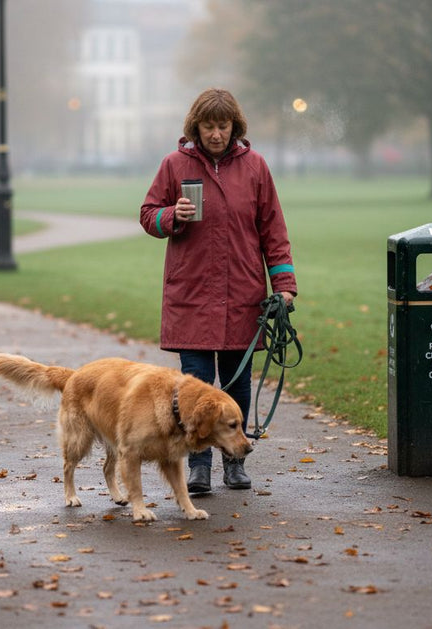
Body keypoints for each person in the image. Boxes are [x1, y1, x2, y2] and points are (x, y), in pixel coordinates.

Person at [139, 88, 297, 494]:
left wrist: (284, 286)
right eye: (208, 126)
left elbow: (273, 232)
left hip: (243, 294)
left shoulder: (256, 167)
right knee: (195, 386)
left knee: (237, 383)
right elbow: (147, 215)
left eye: (222, 126)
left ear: (234, 126)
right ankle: (198, 466)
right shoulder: (174, 165)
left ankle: (235, 461)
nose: (215, 134)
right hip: (190, 295)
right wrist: (172, 215)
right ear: (196, 127)